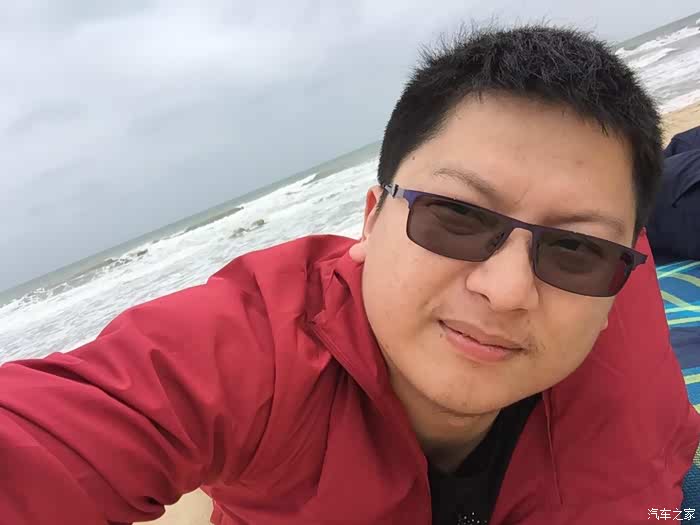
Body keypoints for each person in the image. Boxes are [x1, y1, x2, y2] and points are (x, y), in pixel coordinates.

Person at [1, 25, 699, 525]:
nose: (507, 289)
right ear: (370, 220)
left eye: (575, 248)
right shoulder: (252, 350)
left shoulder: (616, 321)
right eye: (456, 216)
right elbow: (47, 444)